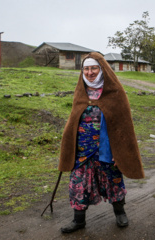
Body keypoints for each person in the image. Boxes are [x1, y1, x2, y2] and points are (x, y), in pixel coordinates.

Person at [58, 52, 144, 233]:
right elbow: (73, 119)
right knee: (78, 182)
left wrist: (119, 149)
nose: (89, 72)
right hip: (83, 149)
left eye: (94, 68)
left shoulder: (115, 92)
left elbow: (123, 123)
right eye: (86, 68)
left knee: (113, 180)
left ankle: (120, 213)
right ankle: (78, 220)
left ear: (102, 69)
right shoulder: (81, 90)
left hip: (108, 148)